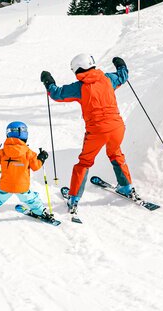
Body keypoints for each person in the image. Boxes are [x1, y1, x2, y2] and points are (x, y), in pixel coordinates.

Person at [41, 54, 132, 217]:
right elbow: (123, 76)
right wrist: (120, 64)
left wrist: (48, 81)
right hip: (118, 127)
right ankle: (126, 187)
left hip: (97, 131)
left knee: (84, 163)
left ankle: (74, 198)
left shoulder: (79, 87)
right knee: (115, 153)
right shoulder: (108, 78)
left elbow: (56, 94)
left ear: (76, 68)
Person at [0, 121, 53, 224]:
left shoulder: (3, 152)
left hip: (5, 186)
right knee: (31, 199)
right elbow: (36, 166)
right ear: (25, 135)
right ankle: (41, 212)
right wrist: (42, 157)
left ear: (8, 134)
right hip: (22, 187)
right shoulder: (28, 153)